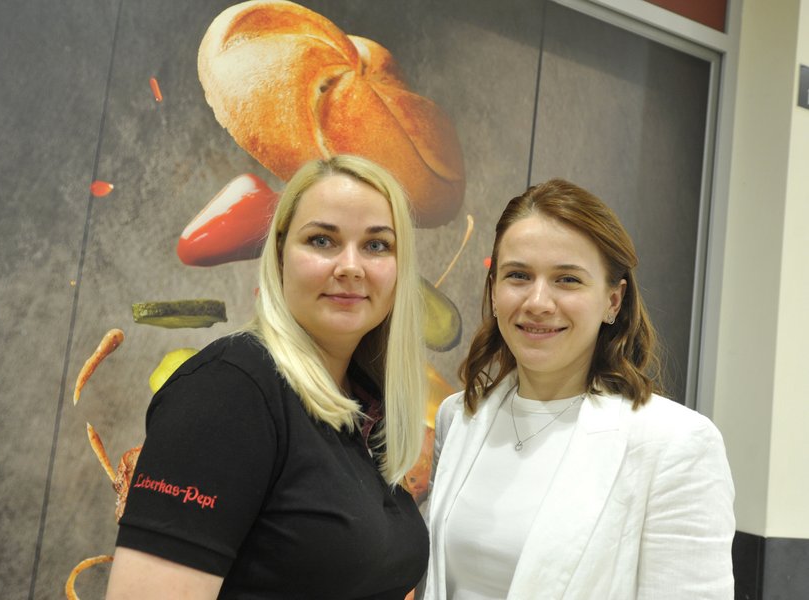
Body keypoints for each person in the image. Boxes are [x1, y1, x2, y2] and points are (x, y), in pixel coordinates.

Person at [106, 155, 430, 599]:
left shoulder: (361, 409)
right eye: (322, 240)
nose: (351, 266)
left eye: (377, 246)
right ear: (279, 256)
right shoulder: (229, 392)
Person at [420, 179, 735, 599]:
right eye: (518, 275)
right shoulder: (458, 416)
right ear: (494, 291)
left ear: (613, 300)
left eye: (567, 280)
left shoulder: (676, 444)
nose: (538, 301)